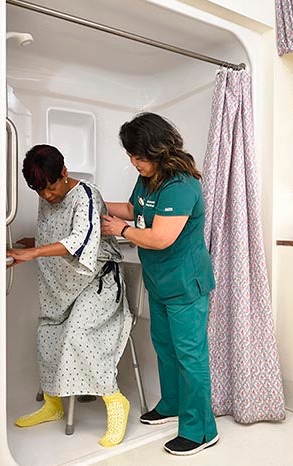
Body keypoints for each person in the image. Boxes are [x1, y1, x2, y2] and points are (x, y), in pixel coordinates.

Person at [101, 112, 218, 456]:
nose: (133, 162)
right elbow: (136, 209)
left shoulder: (181, 185)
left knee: (190, 356)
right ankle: (172, 405)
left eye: (138, 156)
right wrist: (96, 201)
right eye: (131, 156)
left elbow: (160, 237)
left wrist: (118, 230)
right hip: (160, 282)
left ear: (157, 150)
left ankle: (201, 430)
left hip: (185, 284)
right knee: (166, 349)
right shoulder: (148, 179)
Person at [7, 144, 132, 448]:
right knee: (47, 333)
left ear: (64, 172)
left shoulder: (87, 195)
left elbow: (80, 239)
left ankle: (116, 403)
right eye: (39, 191)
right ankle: (53, 405)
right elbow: (57, 234)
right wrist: (28, 242)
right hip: (63, 284)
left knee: (78, 335)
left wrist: (34, 252)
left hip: (98, 283)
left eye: (50, 187)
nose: (47, 195)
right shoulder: (48, 198)